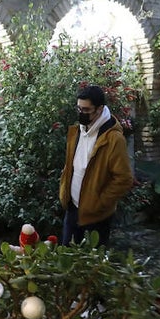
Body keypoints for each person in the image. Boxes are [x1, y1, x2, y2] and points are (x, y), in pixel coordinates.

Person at [58, 85, 134, 246]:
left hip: (96, 216)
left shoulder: (114, 139)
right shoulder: (77, 131)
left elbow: (124, 178)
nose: (81, 113)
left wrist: (99, 203)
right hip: (72, 209)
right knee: (65, 259)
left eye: (86, 110)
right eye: (79, 108)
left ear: (99, 109)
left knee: (91, 267)